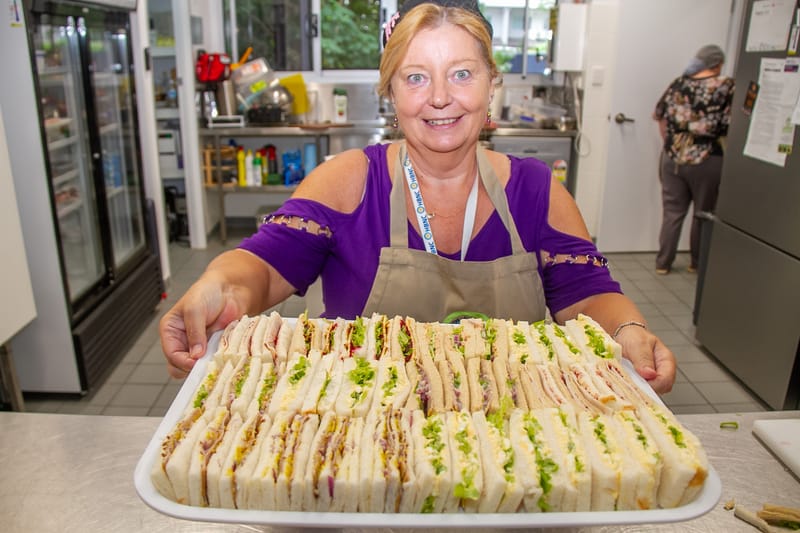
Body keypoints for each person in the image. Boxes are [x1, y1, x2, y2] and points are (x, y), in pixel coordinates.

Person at [160, 0, 676, 393]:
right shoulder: (347, 181)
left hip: (508, 434)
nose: (440, 98)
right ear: (390, 92)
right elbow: (266, 268)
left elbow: (588, 295)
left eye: (462, 73)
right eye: (415, 77)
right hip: (361, 430)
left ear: (491, 83)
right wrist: (219, 288)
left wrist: (630, 329)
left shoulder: (537, 191)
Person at [653, 44, 734, 275]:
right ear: (717, 64)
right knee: (703, 212)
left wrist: (672, 143)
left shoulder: (679, 83)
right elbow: (733, 123)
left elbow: (658, 115)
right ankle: (696, 263)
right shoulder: (726, 86)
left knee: (672, 212)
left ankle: (663, 263)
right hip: (707, 158)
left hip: (672, 157)